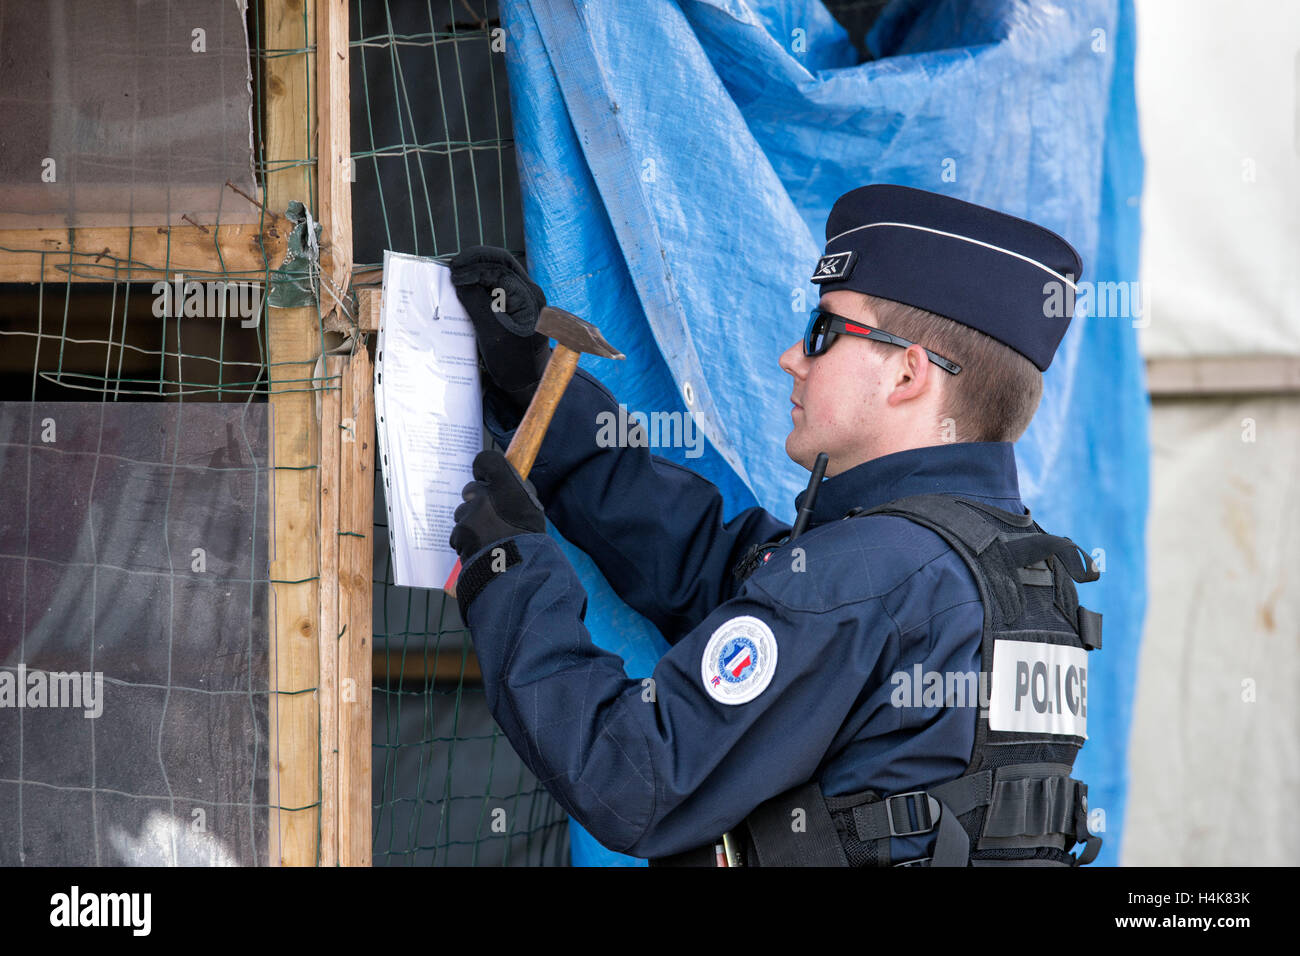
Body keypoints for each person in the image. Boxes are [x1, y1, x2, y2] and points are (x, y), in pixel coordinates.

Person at [446, 184, 1103, 867]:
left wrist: (508, 569)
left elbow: (630, 778)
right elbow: (714, 564)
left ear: (909, 374)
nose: (794, 356)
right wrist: (538, 394)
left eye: (824, 333)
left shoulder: (867, 575)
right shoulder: (1012, 573)